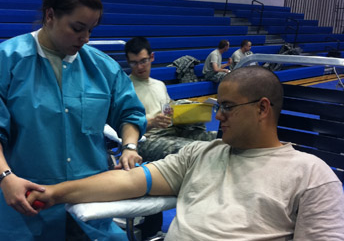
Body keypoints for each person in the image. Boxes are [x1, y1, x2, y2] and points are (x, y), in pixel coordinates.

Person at [28, 66, 344, 240]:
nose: (218, 117)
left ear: (262, 108)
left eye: (228, 108)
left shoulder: (311, 175)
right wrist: (54, 193)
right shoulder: (201, 154)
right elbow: (129, 182)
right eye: (218, 107)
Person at [0, 0, 146, 240]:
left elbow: (129, 112)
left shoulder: (102, 67)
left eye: (91, 30)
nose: (85, 39)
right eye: (77, 28)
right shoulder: (5, 61)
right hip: (24, 202)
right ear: (50, 15)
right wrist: (5, 177)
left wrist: (129, 146)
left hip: (87, 205)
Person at [125, 36, 218, 162]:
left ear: (152, 57)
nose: (140, 67)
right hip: (148, 138)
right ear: (128, 61)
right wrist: (151, 122)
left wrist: (187, 112)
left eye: (143, 61)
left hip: (171, 130)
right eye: (134, 63)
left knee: (213, 135)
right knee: (195, 151)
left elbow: (168, 109)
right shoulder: (125, 88)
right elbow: (124, 125)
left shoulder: (159, 84)